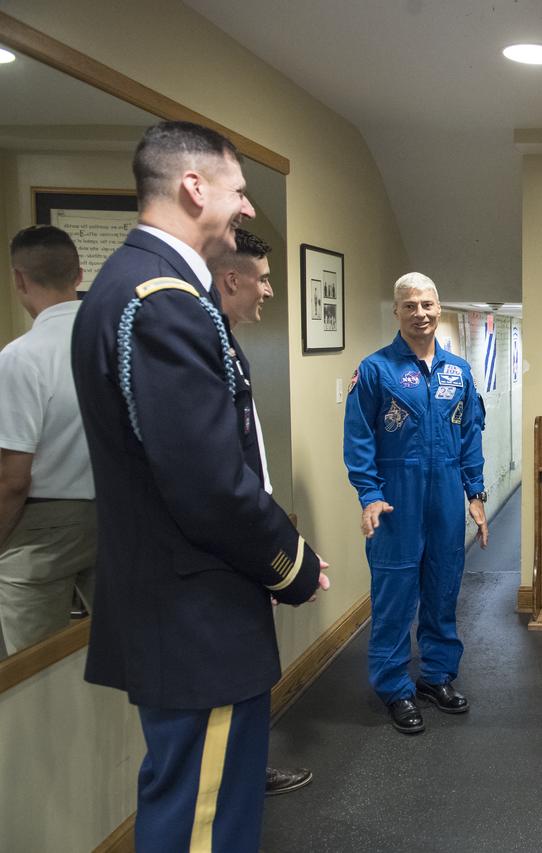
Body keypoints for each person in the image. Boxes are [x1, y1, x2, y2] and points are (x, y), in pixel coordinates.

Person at [70, 120, 327, 852]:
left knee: (199, 805)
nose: (247, 209)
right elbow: (209, 483)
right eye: (240, 190)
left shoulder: (141, 287)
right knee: (202, 825)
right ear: (193, 186)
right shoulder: (163, 302)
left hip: (179, 613)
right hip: (196, 619)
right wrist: (294, 560)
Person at [343, 272, 488, 734]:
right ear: (396, 312)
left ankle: (437, 676)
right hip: (396, 501)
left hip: (445, 494)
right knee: (395, 596)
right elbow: (359, 439)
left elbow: (469, 437)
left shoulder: (458, 372)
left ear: (439, 307)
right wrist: (369, 494)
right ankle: (394, 687)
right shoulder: (375, 370)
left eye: (427, 304)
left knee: (444, 590)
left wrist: (476, 493)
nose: (420, 313)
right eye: (410, 306)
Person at [211, 228, 312, 798]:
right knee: (233, 676)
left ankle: (247, 769)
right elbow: (214, 479)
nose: (270, 291)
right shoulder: (197, 341)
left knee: (252, 670)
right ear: (232, 278)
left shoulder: (225, 343)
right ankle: (235, 777)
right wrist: (278, 550)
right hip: (233, 544)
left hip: (253, 528)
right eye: (265, 278)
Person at [0, 226, 94, 659]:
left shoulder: (22, 356)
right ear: (78, 274)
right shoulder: (117, 345)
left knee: (33, 670)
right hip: (117, 515)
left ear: (19, 279)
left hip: (43, 526)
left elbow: (13, 479)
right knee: (124, 656)